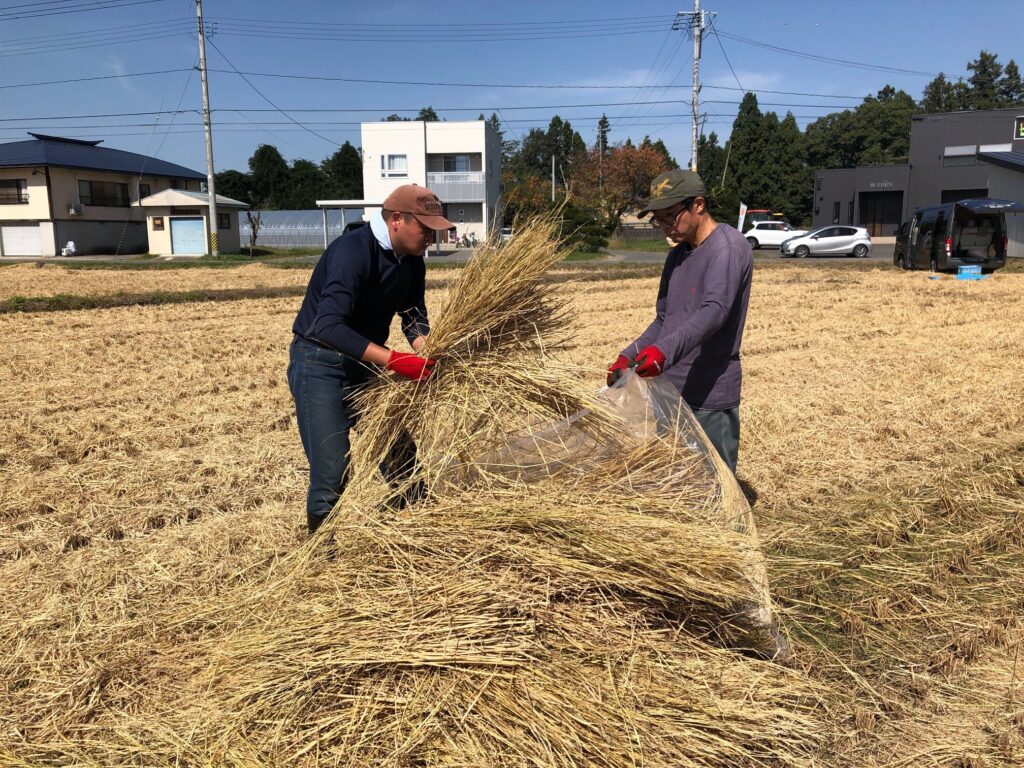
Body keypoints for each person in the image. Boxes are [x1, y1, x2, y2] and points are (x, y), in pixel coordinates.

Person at [289, 184, 454, 534]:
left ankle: (412, 529)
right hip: (320, 363)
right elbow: (328, 326)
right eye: (425, 229)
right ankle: (320, 555)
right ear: (397, 220)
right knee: (333, 468)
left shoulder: (411, 261)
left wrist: (427, 350)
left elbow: (412, 315)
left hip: (365, 365)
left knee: (401, 456)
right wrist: (395, 361)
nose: (430, 238)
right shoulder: (354, 252)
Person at [607, 169, 753, 474]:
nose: (664, 228)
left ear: (698, 205)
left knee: (716, 485)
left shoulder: (727, 247)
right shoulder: (677, 256)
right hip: (672, 392)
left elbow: (715, 310)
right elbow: (665, 319)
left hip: (709, 394)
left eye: (670, 217)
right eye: (658, 219)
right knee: (678, 484)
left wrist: (664, 353)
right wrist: (629, 354)